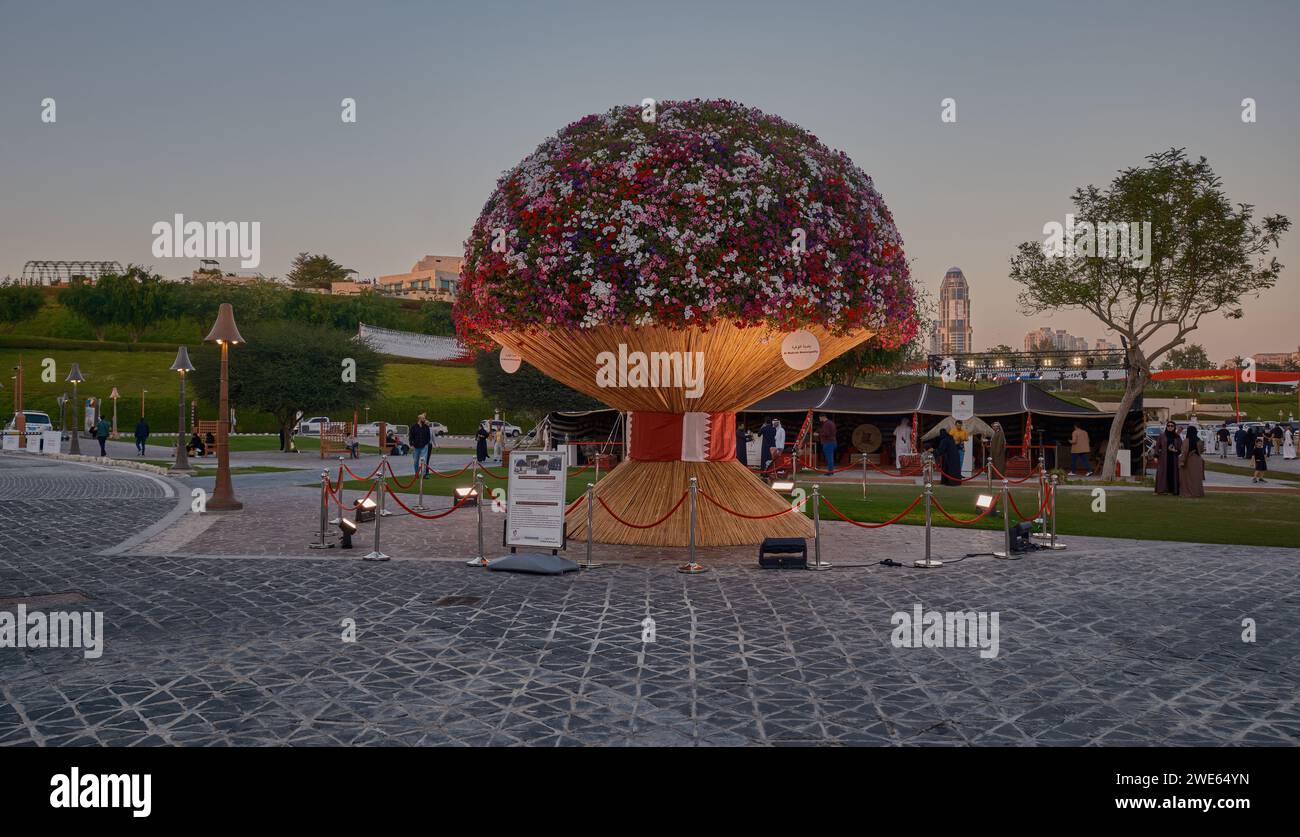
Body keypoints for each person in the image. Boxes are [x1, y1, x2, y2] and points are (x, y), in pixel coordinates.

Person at [1154, 420, 1181, 495]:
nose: (1170, 427)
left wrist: (1174, 450)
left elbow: (1180, 449)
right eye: (1168, 425)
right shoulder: (1162, 436)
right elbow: (1157, 446)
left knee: (1173, 474)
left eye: (1172, 426)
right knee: (1162, 473)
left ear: (1174, 427)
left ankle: (1172, 490)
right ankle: (1161, 490)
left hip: (1173, 459)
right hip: (1163, 458)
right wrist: (1156, 456)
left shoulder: (1177, 437)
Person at [1178, 426, 1205, 498]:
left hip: (1189, 460)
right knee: (1196, 478)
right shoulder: (1199, 440)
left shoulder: (1186, 441)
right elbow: (1202, 450)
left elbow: (1184, 452)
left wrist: (1181, 461)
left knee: (1188, 478)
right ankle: (1197, 492)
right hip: (1198, 460)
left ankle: (1188, 492)